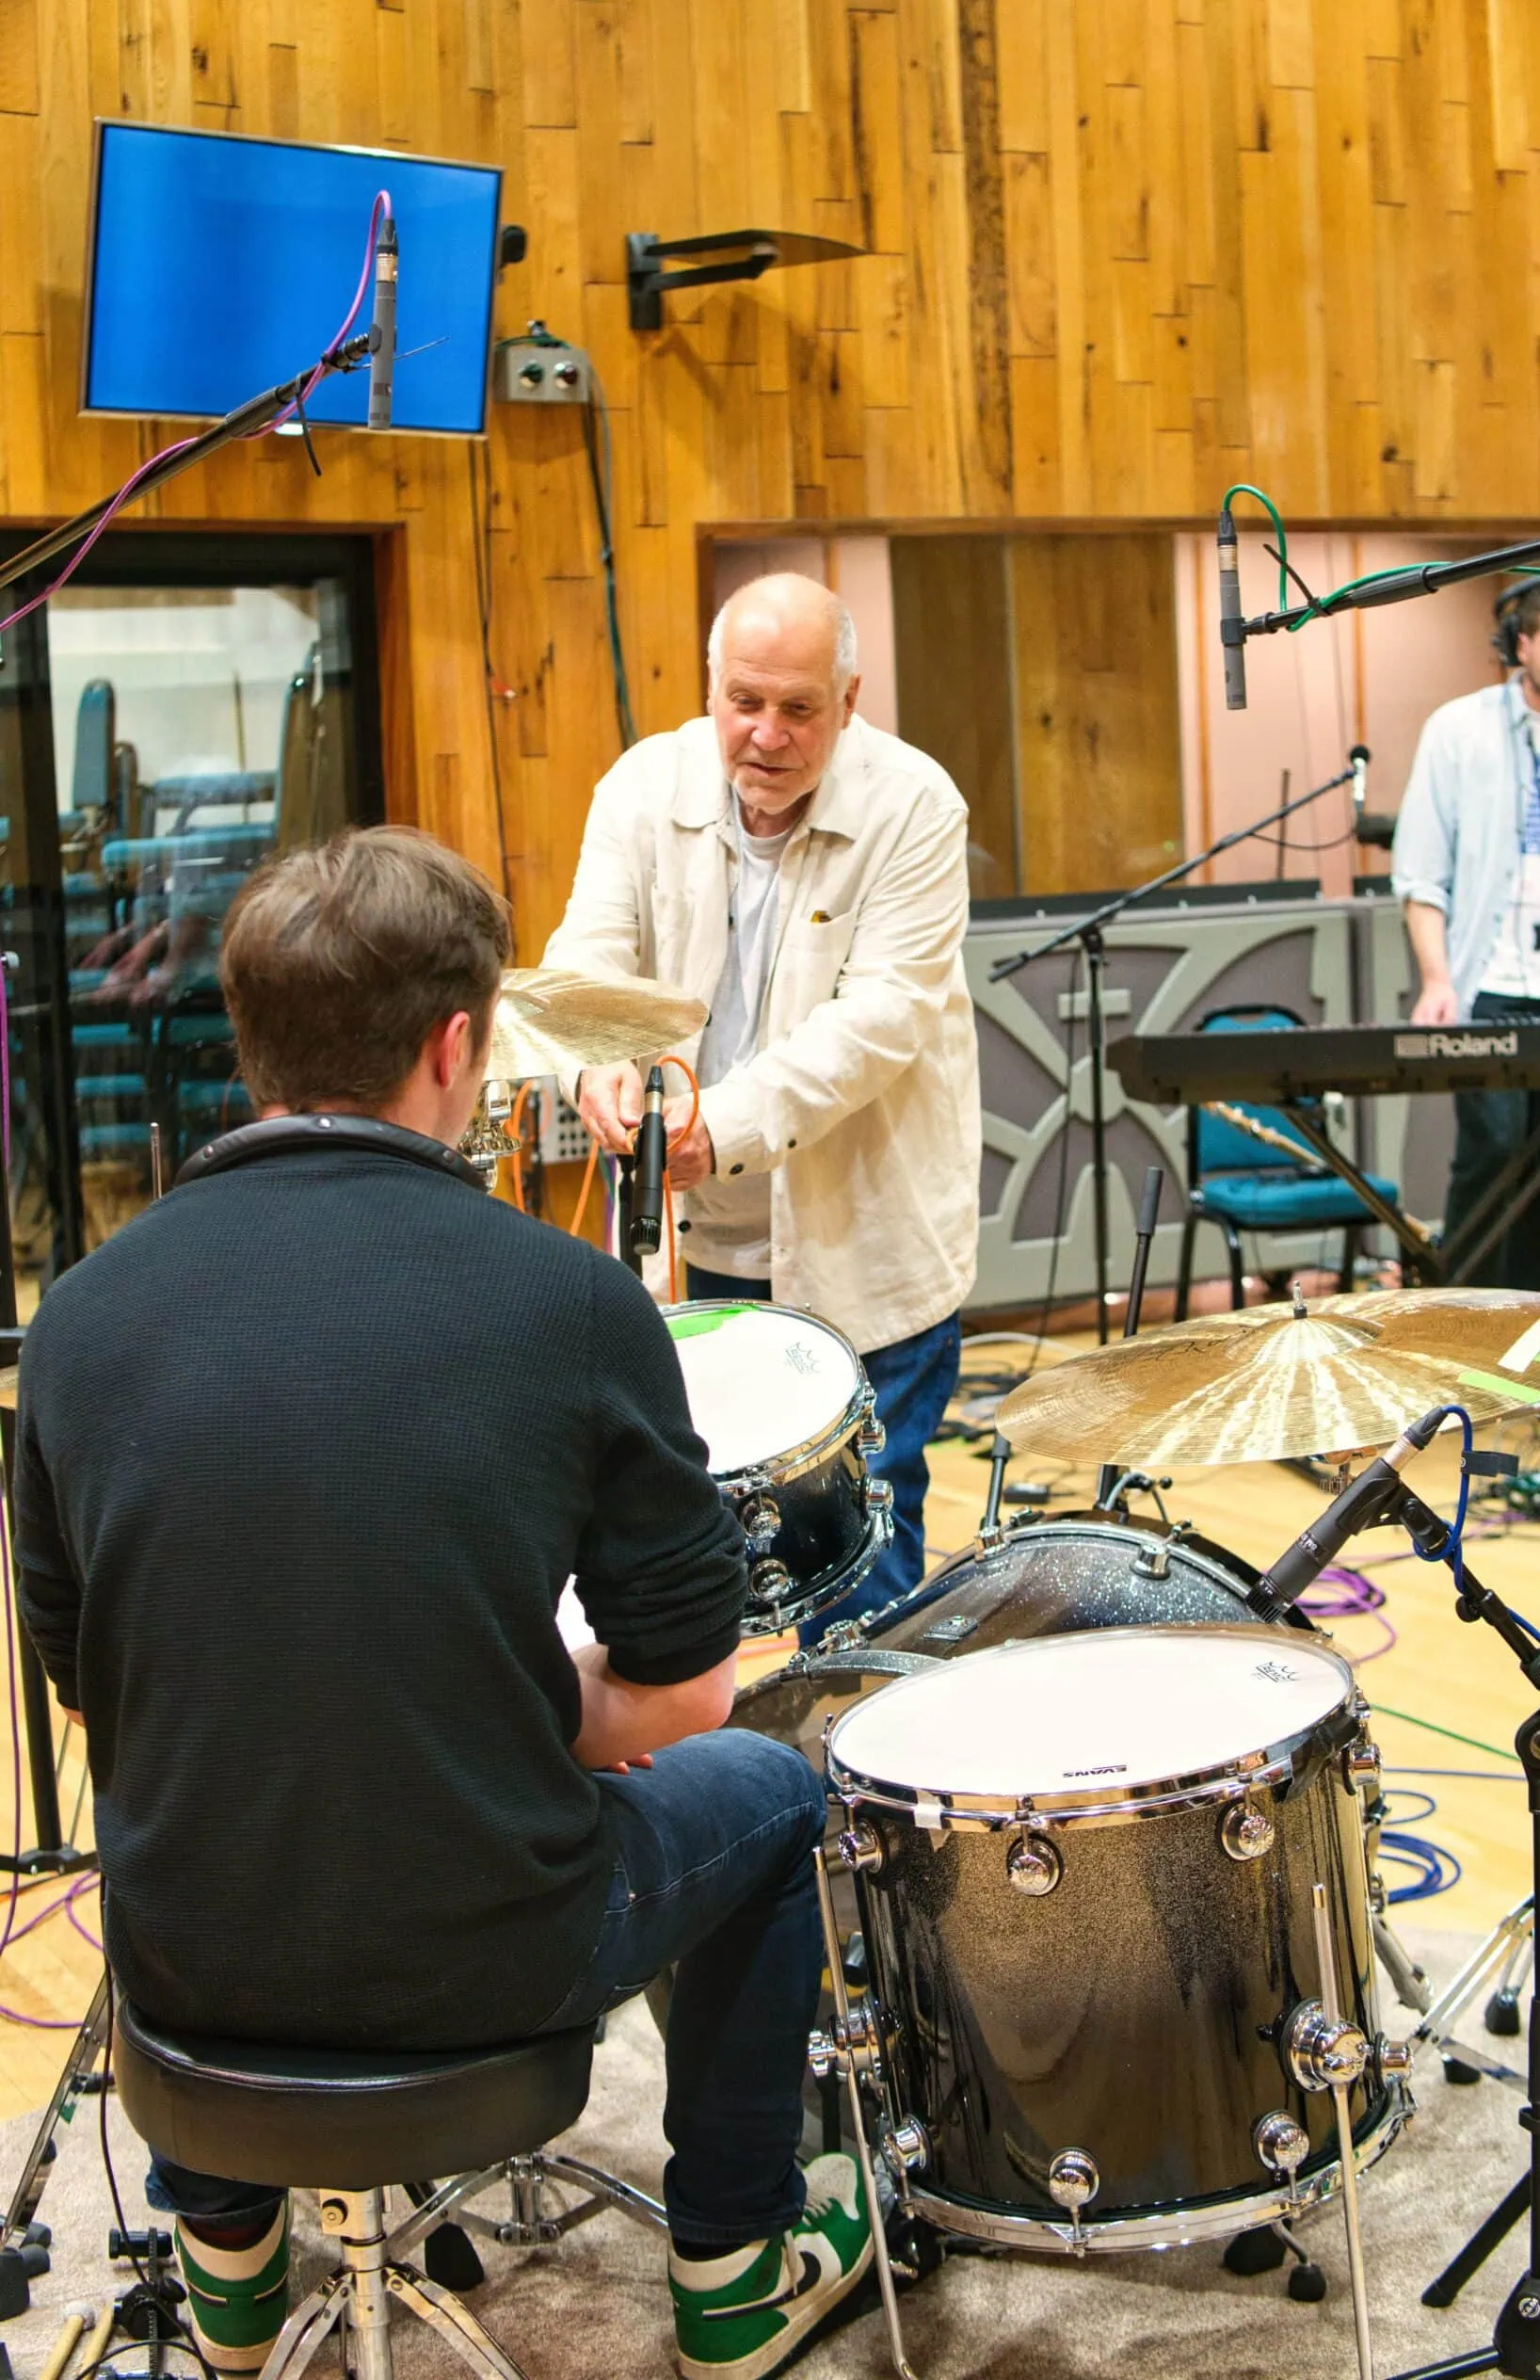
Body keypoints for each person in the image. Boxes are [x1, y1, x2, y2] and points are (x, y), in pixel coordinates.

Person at [13, 828, 871, 2380]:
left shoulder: (76, 1319)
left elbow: (100, 1684)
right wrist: (516, 1711)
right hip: (488, 1961)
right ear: (455, 1045)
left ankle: (226, 2257)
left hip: (185, 1968)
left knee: (201, 1807)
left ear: (248, 1042)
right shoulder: (567, 1300)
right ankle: (735, 2263)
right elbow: (686, 1693)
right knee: (770, 1787)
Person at [542, 572, 981, 1633]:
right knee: (694, 1561)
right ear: (710, 689)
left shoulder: (915, 805)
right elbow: (584, 963)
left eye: (799, 709)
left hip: (864, 1254)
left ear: (850, 700)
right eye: (744, 702)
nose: (767, 735)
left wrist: (721, 1127)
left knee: (861, 1581)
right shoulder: (642, 787)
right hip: (693, 1248)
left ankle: (852, 1736)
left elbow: (877, 1022)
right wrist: (595, 1067)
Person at [1393, 577, 1540, 1291]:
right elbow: (1421, 875)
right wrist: (1437, 979)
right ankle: (1465, 1318)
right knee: (1493, 1150)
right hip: (1487, 981)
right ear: (1519, 643)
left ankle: (1532, 1318)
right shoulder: (1458, 730)